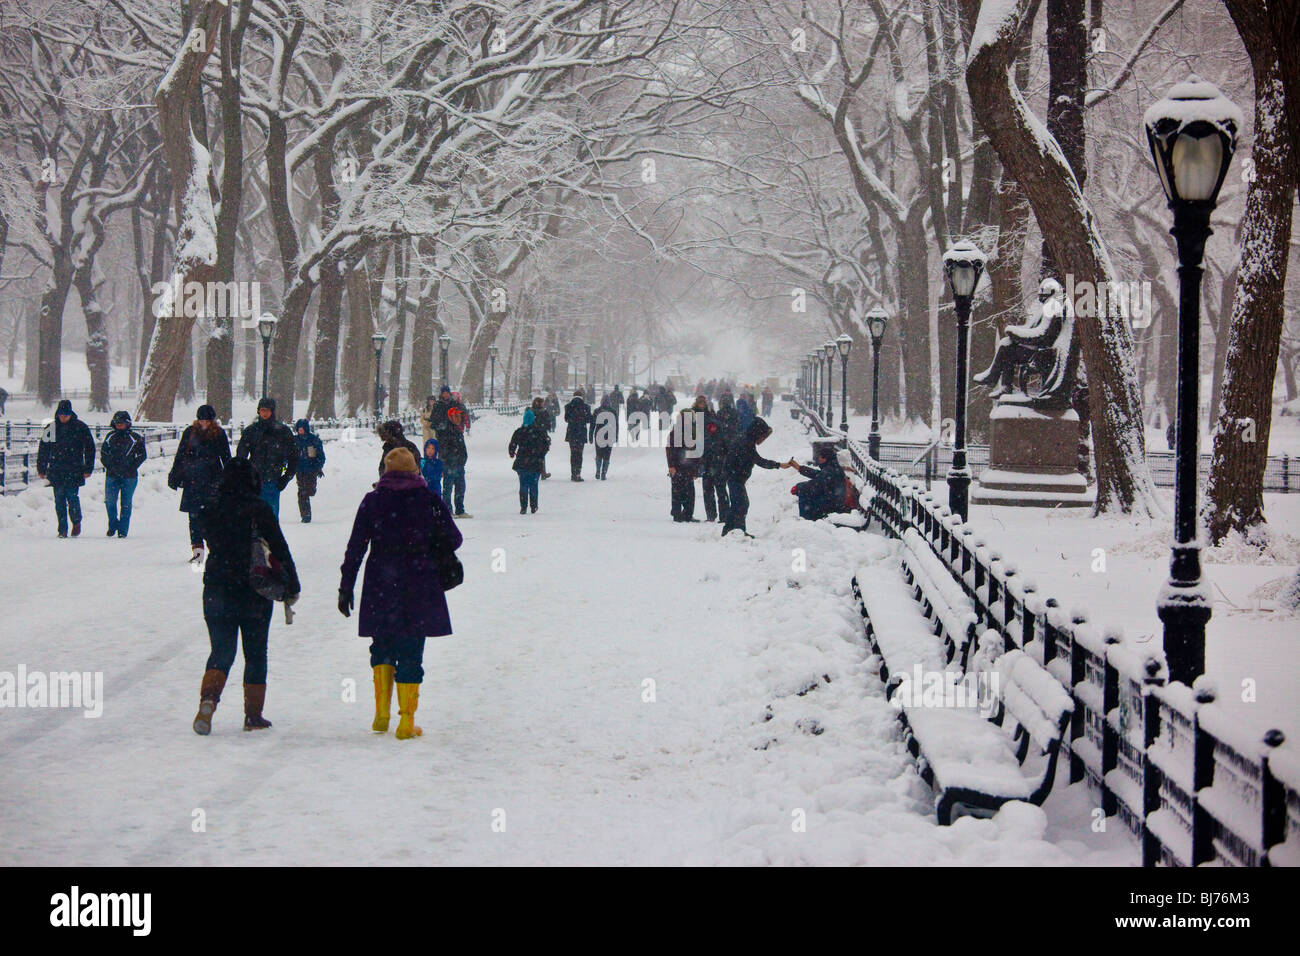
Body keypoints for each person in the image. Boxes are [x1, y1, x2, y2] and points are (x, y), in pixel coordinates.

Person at [338, 447, 462, 739]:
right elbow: (454, 538)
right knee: (410, 649)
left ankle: (381, 713)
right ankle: (407, 720)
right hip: (418, 581)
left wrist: (346, 586)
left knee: (381, 644)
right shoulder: (429, 500)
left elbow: (355, 547)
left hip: (380, 581)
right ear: (415, 471)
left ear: (385, 472)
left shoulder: (372, 501)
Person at [192, 458, 300, 735]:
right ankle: (253, 716)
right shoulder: (259, 509)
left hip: (216, 587)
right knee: (255, 653)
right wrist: (292, 584)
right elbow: (279, 546)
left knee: (221, 650)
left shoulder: (211, 509)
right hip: (254, 588)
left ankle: (208, 700)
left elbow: (199, 524)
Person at [169, 404, 232, 562]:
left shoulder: (219, 434)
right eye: (201, 420)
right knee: (194, 518)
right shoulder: (190, 433)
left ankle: (215, 548)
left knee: (212, 518)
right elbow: (181, 455)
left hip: (213, 481)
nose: (204, 423)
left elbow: (226, 457)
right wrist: (174, 475)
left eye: (207, 420)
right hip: (193, 480)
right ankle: (198, 552)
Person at [36, 399, 96, 538]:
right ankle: (62, 528)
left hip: (74, 469)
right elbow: (43, 449)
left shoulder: (80, 428)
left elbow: (90, 449)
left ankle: (76, 521)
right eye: (61, 414)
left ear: (70, 413)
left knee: (72, 497)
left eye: (66, 414)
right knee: (59, 500)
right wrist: (42, 467)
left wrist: (88, 468)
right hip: (56, 470)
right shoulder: (51, 428)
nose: (63, 417)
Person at [721, 417, 787, 537]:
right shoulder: (746, 443)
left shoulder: (746, 440)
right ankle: (737, 531)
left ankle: (729, 529)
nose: (763, 440)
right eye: (763, 437)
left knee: (737, 503)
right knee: (741, 504)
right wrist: (779, 465)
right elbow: (759, 461)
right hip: (735, 477)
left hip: (735, 477)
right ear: (757, 433)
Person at [236, 398, 298, 517]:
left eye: (267, 410)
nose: (265, 413)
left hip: (273, 479)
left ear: (272, 412)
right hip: (253, 480)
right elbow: (241, 455)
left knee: (270, 517)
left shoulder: (283, 431)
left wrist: (286, 477)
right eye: (262, 410)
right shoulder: (251, 431)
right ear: (258, 411)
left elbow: (294, 456)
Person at [100, 410, 147, 538]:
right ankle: (113, 524)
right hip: (112, 475)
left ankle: (123, 530)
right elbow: (103, 454)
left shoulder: (135, 438)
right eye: (117, 423)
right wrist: (110, 466)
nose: (119, 425)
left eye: (121, 423)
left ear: (127, 424)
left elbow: (142, 455)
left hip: (129, 477)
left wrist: (131, 466)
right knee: (110, 502)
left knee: (126, 503)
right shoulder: (110, 437)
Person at [665, 401, 704, 522]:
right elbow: (670, 450)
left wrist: (696, 468)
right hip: (679, 466)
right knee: (681, 491)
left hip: (687, 466)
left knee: (687, 491)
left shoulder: (692, 431)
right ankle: (678, 514)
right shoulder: (676, 432)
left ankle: (685, 514)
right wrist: (671, 466)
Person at [788, 445, 847, 521]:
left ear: (825, 458)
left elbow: (817, 485)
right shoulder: (832, 466)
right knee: (806, 490)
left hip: (833, 503)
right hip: (834, 498)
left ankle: (806, 520)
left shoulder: (830, 470)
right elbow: (819, 475)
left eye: (820, 457)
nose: (818, 458)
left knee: (804, 492)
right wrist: (800, 468)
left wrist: (799, 487)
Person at [509, 408, 551, 513]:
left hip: (522, 461)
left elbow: (512, 445)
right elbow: (546, 444)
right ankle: (533, 506)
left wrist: (512, 452)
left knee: (523, 484)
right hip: (535, 461)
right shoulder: (539, 431)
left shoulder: (519, 431)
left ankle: (523, 507)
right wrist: (541, 454)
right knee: (534, 484)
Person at [700, 397, 730, 523]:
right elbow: (725, 444)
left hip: (708, 461)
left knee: (708, 490)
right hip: (718, 461)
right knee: (720, 490)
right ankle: (724, 515)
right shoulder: (719, 424)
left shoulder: (702, 424)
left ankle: (711, 515)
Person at [293, 418, 326, 522]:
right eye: (299, 429)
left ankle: (311, 490)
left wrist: (318, 467)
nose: (300, 431)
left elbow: (320, 456)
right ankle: (305, 515)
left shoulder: (313, 440)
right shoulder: (295, 440)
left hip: (311, 470)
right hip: (300, 470)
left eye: (302, 429)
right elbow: (289, 455)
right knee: (302, 492)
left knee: (310, 491)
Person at [440, 405, 470, 517]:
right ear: (451, 417)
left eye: (459, 416)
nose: (459, 418)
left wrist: (463, 458)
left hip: (459, 464)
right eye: (456, 416)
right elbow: (444, 448)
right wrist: (450, 459)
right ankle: (448, 510)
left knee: (460, 487)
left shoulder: (457, 430)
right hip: (450, 464)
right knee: (448, 488)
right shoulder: (446, 430)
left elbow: (462, 447)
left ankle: (460, 509)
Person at [564, 389, 592, 481]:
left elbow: (566, 419)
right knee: (579, 454)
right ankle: (578, 473)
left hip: (571, 432)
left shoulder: (568, 406)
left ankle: (573, 473)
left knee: (573, 453)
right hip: (581, 432)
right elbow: (589, 419)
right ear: (582, 397)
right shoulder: (586, 407)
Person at [591, 393, 618, 480]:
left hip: (599, 435)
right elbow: (616, 425)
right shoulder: (613, 411)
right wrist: (616, 436)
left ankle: (598, 470)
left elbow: (592, 425)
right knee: (607, 455)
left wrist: (590, 435)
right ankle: (603, 473)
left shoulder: (597, 411)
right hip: (609, 435)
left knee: (599, 454)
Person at [530, 396, 553, 478]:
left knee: (532, 453)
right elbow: (548, 424)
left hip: (531, 435)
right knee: (541, 454)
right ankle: (542, 471)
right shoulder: (544, 412)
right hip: (541, 435)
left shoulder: (530, 411)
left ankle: (532, 471)